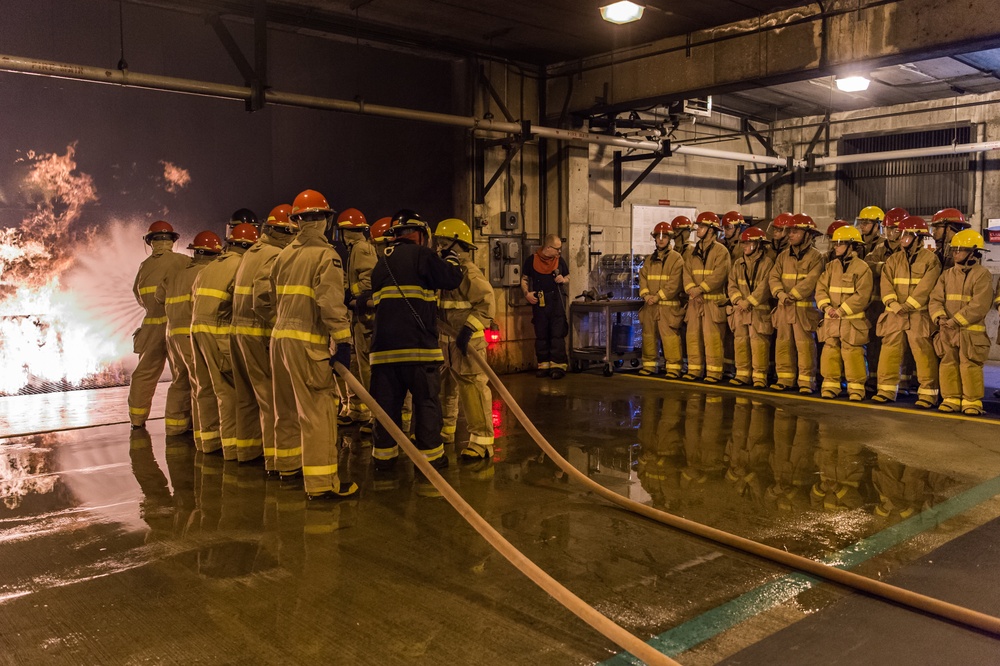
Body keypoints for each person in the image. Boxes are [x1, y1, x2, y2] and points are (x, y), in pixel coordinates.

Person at [268, 189, 356, 499]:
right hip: (307, 343)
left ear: (296, 221)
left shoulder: (284, 254)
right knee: (318, 412)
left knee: (286, 408)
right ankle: (322, 485)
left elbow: (267, 298)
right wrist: (343, 341)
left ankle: (288, 467)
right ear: (324, 221)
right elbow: (330, 304)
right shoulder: (325, 256)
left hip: (279, 342)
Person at [369, 210, 463, 472]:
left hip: (383, 354)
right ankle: (431, 459)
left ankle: (384, 459)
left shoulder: (381, 263)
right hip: (418, 350)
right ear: (420, 235)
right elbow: (451, 278)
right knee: (426, 404)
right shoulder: (422, 254)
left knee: (386, 408)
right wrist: (453, 259)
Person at [230, 204, 297, 471]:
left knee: (246, 397)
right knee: (270, 398)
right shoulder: (273, 254)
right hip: (258, 333)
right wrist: (277, 324)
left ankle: (247, 453)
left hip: (237, 332)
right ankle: (274, 459)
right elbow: (261, 299)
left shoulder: (252, 252)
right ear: (283, 232)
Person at [190, 222, 258, 458]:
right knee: (228, 391)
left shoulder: (207, 268)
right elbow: (244, 306)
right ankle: (231, 447)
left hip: (196, 332)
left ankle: (209, 443)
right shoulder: (241, 266)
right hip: (219, 333)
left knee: (204, 388)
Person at [434, 218, 497, 461]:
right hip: (447, 344)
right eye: (438, 243)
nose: (439, 248)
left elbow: (487, 304)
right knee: (445, 389)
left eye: (445, 243)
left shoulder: (468, 272)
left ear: (458, 246)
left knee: (473, 390)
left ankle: (481, 443)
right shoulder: (445, 273)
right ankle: (446, 431)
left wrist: (468, 330)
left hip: (467, 343)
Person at [156, 230, 223, 447]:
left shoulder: (177, 273)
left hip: (172, 334)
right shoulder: (207, 273)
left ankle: (175, 427)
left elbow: (159, 296)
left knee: (179, 381)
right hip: (190, 334)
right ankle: (202, 432)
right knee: (200, 383)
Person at [128, 221, 191, 431]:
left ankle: (137, 419)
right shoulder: (184, 261)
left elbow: (139, 297)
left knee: (144, 375)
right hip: (177, 326)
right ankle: (179, 424)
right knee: (182, 376)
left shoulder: (144, 267)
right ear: (172, 241)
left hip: (151, 327)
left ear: (150, 241)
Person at [872, 215, 941, 407]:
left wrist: (907, 305)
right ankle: (886, 390)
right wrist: (894, 305)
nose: (900, 237)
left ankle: (928, 395)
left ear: (917, 237)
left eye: (905, 234)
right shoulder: (894, 260)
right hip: (895, 314)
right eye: (899, 233)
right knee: (889, 352)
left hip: (918, 315)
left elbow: (926, 287)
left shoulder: (931, 260)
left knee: (923, 354)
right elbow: (886, 284)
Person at [930, 230, 993, 415]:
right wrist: (940, 317)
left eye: (960, 250)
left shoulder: (982, 275)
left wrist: (955, 321)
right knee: (948, 363)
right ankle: (950, 398)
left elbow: (979, 304)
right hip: (947, 330)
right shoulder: (947, 275)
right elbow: (935, 299)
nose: (955, 253)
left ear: (973, 252)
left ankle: (972, 402)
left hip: (970, 332)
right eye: (954, 249)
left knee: (970, 365)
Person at [815, 226, 873, 401]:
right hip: (832, 320)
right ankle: (831, 385)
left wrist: (841, 310)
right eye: (835, 244)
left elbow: (863, 296)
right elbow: (820, 289)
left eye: (840, 244)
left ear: (851, 246)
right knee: (830, 351)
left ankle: (856, 389)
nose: (835, 247)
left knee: (852, 353)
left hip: (851, 322)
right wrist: (826, 307)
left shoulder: (863, 269)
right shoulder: (832, 266)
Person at [768, 213, 823, 393]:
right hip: (785, 308)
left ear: (808, 234)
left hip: (804, 311)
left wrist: (792, 294)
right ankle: (785, 378)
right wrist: (780, 294)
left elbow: (812, 280)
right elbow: (774, 277)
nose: (790, 234)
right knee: (783, 344)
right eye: (789, 231)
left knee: (805, 346)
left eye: (795, 231)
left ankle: (806, 382)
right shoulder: (783, 256)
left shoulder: (817, 257)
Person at [339, 207, 378, 430]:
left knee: (369, 371)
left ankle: (376, 417)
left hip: (366, 319)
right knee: (362, 369)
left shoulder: (361, 249)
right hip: (360, 318)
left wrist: (349, 293)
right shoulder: (358, 248)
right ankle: (366, 413)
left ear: (346, 232)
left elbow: (368, 283)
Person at [681, 211, 731, 383]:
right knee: (693, 337)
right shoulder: (693, 252)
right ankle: (695, 370)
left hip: (712, 303)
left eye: (701, 227)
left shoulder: (721, 251)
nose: (698, 230)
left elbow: (720, 275)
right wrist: (692, 291)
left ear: (711, 230)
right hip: (695, 302)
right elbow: (686, 273)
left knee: (713, 339)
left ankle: (714, 373)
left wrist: (700, 289)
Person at [727, 226, 775, 387]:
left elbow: (765, 287)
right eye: (743, 243)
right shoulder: (738, 264)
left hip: (758, 311)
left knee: (758, 344)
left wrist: (749, 302)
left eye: (748, 243)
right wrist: (738, 300)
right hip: (740, 310)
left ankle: (759, 377)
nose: (744, 246)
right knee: (740, 342)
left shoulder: (768, 264)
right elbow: (731, 285)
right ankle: (742, 374)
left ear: (758, 245)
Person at [638, 222, 685, 377]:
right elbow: (643, 278)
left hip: (668, 307)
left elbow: (674, 284)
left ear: (670, 238)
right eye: (658, 236)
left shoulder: (677, 259)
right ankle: (649, 365)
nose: (661, 239)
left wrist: (656, 297)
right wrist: (646, 295)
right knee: (648, 337)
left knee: (670, 338)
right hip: (650, 306)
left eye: (664, 236)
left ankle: (673, 368)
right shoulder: (649, 259)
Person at [520, 234, 570, 379]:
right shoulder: (531, 261)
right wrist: (527, 294)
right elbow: (524, 279)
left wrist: (563, 279)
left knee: (557, 334)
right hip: (540, 301)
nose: (559, 252)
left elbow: (568, 276)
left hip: (556, 301)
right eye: (557, 249)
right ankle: (543, 365)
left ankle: (558, 366)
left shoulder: (560, 261)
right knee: (541, 334)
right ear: (548, 247)